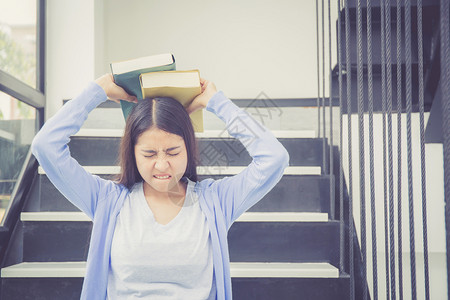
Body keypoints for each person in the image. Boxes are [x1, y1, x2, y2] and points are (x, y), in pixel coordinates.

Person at [31, 73, 289, 300]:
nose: (162, 165)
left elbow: (274, 158)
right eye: (149, 154)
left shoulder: (216, 201)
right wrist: (97, 91)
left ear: (188, 147)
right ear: (132, 154)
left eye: (173, 151)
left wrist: (216, 102)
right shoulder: (106, 201)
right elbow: (46, 145)